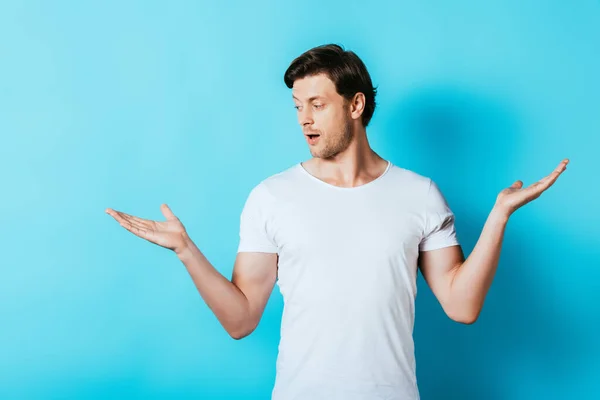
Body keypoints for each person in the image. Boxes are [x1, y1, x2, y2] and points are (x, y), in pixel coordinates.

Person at [106, 44, 569, 399]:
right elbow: (241, 318)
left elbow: (461, 306)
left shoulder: (419, 194)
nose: (304, 119)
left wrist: (498, 217)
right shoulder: (271, 196)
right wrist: (187, 251)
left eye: (317, 104)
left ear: (355, 105)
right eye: (297, 106)